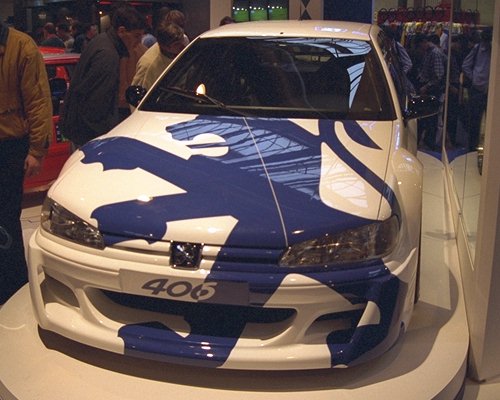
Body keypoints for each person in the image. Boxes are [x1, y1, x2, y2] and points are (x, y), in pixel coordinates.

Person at [0, 21, 53, 304]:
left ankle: (11, 287)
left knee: (6, 218)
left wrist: (36, 150)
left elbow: (38, 101)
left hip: (9, 146)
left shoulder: (21, 47)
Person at [60, 6, 146, 147]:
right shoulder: (108, 55)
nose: (139, 41)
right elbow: (96, 107)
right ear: (122, 31)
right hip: (89, 134)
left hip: (79, 127)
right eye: (137, 36)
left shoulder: (102, 41)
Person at [413, 34, 446, 151]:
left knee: (432, 116)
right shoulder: (428, 52)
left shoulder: (435, 53)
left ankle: (430, 141)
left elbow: (438, 75)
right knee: (425, 116)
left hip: (432, 89)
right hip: (426, 86)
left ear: (423, 42)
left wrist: (427, 86)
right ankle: (427, 140)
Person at [131, 21, 186, 91]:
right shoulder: (149, 66)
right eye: (177, 44)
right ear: (164, 46)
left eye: (183, 40)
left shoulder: (179, 52)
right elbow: (141, 95)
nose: (183, 46)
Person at [462, 28, 492, 151]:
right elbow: (466, 65)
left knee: (488, 121)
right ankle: (472, 147)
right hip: (478, 89)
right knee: (474, 121)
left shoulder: (485, 49)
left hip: (487, 89)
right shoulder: (478, 48)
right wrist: (474, 78)